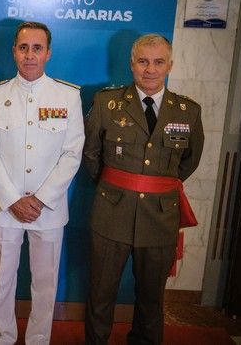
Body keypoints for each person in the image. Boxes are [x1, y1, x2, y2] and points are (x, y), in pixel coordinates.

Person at [83, 34, 204, 344]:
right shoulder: (105, 103)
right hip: (112, 211)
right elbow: (91, 155)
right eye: (143, 61)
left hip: (160, 217)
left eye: (158, 62)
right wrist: (119, 187)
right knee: (100, 294)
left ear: (170, 65)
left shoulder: (187, 111)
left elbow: (188, 162)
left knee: (151, 299)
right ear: (131, 63)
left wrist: (152, 187)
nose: (150, 69)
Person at [0, 21, 84, 344]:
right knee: (2, 281)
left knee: (45, 283)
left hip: (48, 210)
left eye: (37, 48)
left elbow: (72, 153)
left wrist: (40, 199)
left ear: (48, 53)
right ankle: (3, 337)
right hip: (5, 207)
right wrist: (13, 199)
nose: (30, 55)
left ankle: (38, 339)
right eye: (23, 47)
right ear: (13, 51)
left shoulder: (68, 96)